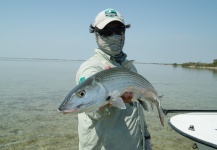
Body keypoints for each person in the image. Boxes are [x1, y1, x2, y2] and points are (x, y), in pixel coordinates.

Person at [75, 8, 152, 150]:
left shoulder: (129, 67)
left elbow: (137, 107)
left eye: (119, 30)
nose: (114, 35)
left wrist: (146, 137)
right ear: (96, 35)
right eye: (106, 32)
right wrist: (107, 103)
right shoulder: (90, 69)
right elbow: (90, 109)